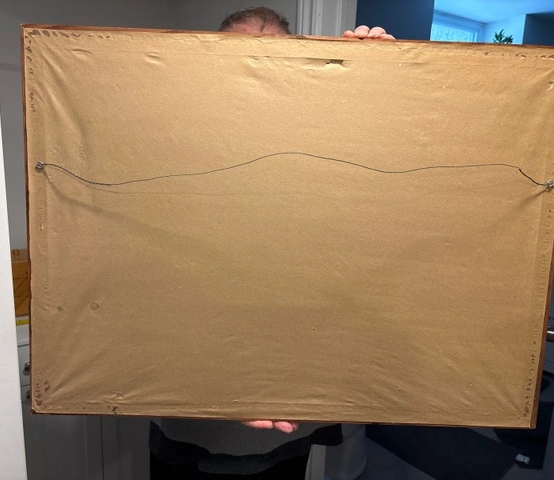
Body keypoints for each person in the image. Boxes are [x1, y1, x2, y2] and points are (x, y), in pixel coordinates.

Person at [149, 7, 394, 479]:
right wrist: (215, 378)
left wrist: (380, 75)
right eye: (242, 58)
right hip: (193, 401)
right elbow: (151, 282)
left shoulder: (324, 140)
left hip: (290, 401)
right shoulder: (176, 139)